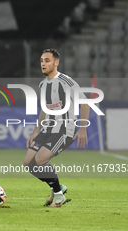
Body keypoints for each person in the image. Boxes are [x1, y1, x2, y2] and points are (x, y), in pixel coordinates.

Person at [23, 48, 90, 207]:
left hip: (64, 130)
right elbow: (44, 109)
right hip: (47, 129)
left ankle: (59, 196)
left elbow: (85, 102)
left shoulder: (66, 81)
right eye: (41, 61)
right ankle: (58, 187)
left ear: (56, 63)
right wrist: (36, 130)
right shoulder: (42, 84)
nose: (43, 64)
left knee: (40, 159)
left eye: (47, 60)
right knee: (28, 162)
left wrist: (82, 128)